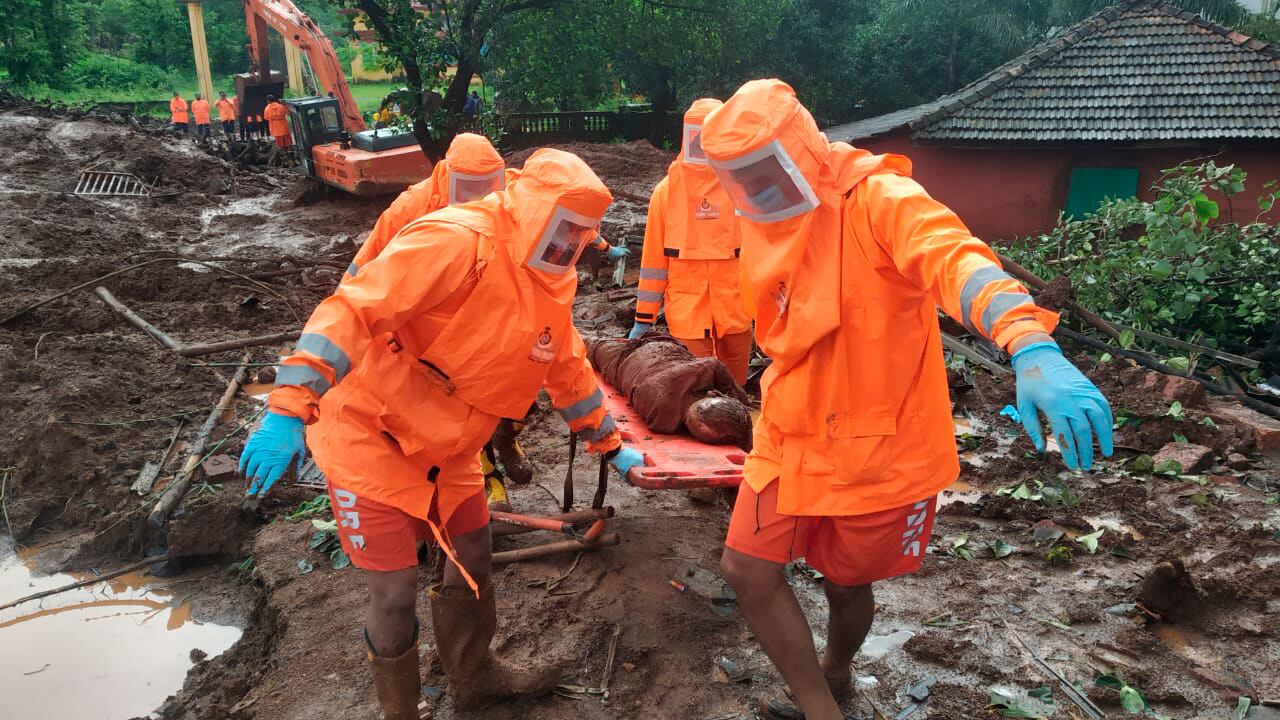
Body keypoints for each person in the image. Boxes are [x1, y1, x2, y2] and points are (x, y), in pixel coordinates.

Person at [699, 79, 1114, 720]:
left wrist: (1029, 342)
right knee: (746, 569)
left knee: (845, 581)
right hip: (791, 427)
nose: (756, 189)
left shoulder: (881, 199)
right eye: (741, 178)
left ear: (801, 151)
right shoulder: (762, 211)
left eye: (764, 172)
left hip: (878, 443)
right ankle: (820, 708)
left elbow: (958, 261)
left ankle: (835, 671)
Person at [238, 148, 646, 719]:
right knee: (395, 590)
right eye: (562, 228)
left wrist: (611, 445)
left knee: (474, 550)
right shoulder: (457, 240)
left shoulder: (554, 279)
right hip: (372, 435)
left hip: (449, 445)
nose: (569, 244)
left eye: (581, 234)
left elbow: (565, 364)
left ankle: (476, 678)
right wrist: (288, 404)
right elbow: (354, 310)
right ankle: (401, 711)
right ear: (532, 209)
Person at [347, 132, 521, 512]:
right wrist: (347, 329)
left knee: (505, 385)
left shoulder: (513, 191)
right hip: (423, 319)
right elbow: (362, 270)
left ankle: (506, 440)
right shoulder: (411, 208)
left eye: (488, 189)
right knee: (447, 406)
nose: (479, 200)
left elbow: (559, 206)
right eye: (469, 189)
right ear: (446, 178)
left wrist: (597, 240)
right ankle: (479, 480)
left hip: (483, 308)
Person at [628, 98, 752, 385]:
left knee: (736, 389)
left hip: (735, 306)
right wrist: (643, 319)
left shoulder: (740, 186)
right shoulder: (666, 193)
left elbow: (761, 249)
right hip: (689, 312)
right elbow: (653, 263)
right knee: (697, 390)